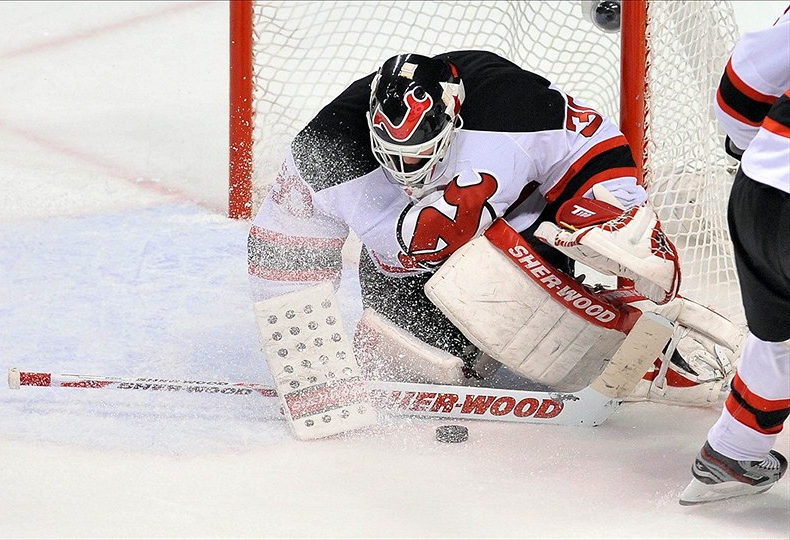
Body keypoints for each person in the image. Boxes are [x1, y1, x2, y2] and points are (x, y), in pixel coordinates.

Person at [247, 50, 738, 439]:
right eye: (393, 155)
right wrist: (304, 349)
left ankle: (632, 338)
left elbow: (593, 147)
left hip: (523, 245)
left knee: (613, 252)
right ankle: (462, 349)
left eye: (422, 153)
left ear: (454, 118)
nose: (407, 171)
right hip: (406, 279)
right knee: (415, 362)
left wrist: (619, 218)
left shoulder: (513, 105)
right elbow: (283, 249)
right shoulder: (326, 150)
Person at [679, 7, 790, 506]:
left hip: (759, 193)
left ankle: (733, 452)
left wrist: (756, 147)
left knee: (779, 337)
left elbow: (741, 85)